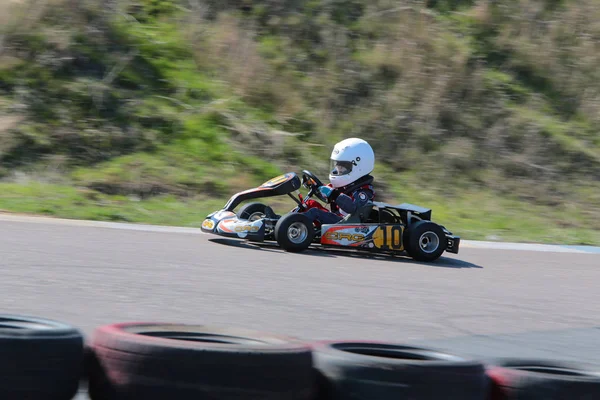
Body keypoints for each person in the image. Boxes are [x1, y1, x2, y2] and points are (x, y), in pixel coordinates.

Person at [302, 138, 376, 225]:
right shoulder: (346, 185)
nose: (338, 168)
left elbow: (353, 208)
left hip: (347, 225)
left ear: (359, 167)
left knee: (315, 212)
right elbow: (328, 191)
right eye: (338, 164)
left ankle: (294, 228)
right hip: (336, 219)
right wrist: (314, 185)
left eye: (343, 165)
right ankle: (287, 221)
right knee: (309, 204)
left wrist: (334, 194)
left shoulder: (364, 191)